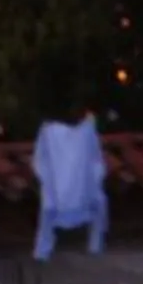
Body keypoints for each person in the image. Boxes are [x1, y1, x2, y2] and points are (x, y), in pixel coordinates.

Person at [32, 111, 109, 261]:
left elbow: (95, 160)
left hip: (82, 185)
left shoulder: (85, 134)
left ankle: (95, 244)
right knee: (49, 208)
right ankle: (43, 250)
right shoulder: (50, 133)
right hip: (59, 185)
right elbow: (41, 161)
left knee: (99, 201)